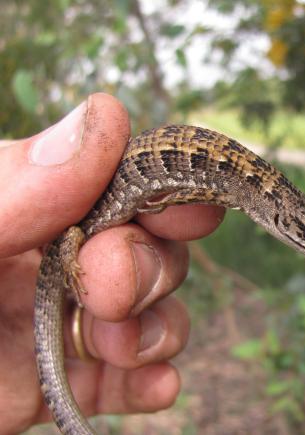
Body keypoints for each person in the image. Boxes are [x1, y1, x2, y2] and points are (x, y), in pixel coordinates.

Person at [0, 93, 225, 432]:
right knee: (87, 251)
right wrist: (68, 265)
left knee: (115, 275)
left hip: (89, 228)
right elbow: (71, 234)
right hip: (73, 233)